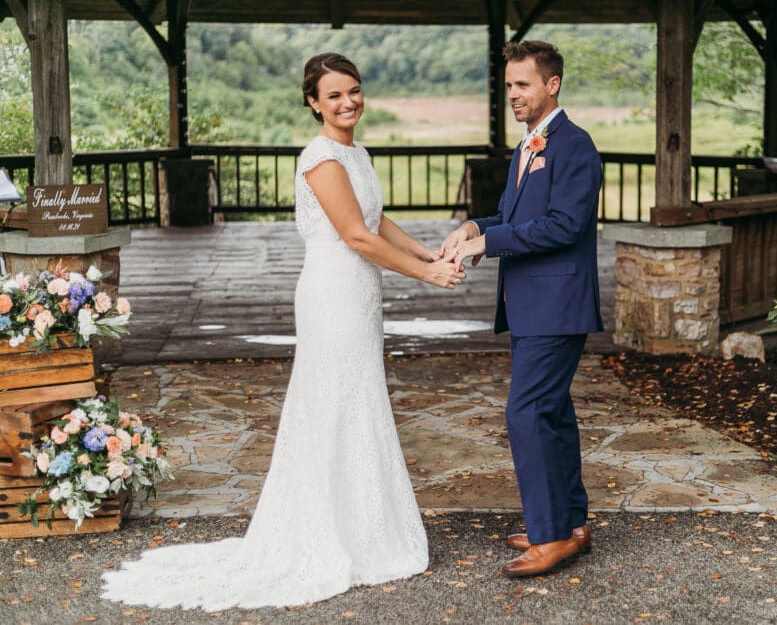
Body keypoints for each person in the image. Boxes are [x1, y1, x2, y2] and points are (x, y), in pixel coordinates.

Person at [102, 53, 465, 610]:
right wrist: (429, 273)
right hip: (333, 292)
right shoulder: (320, 158)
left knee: (358, 400)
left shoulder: (357, 153)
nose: (348, 102)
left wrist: (427, 247)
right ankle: (323, 533)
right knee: (332, 402)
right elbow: (355, 236)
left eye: (355, 91)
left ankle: (364, 527)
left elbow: (376, 219)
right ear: (314, 103)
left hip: (361, 293)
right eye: (335, 95)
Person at [441, 40, 603, 578]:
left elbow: (564, 225)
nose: (513, 94)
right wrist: (475, 227)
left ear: (551, 85)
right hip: (532, 305)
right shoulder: (528, 146)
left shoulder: (574, 146)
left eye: (522, 85)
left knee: (526, 413)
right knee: (551, 413)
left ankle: (552, 534)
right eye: (508, 85)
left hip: (558, 304)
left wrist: (490, 243)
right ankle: (570, 522)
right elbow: (514, 215)